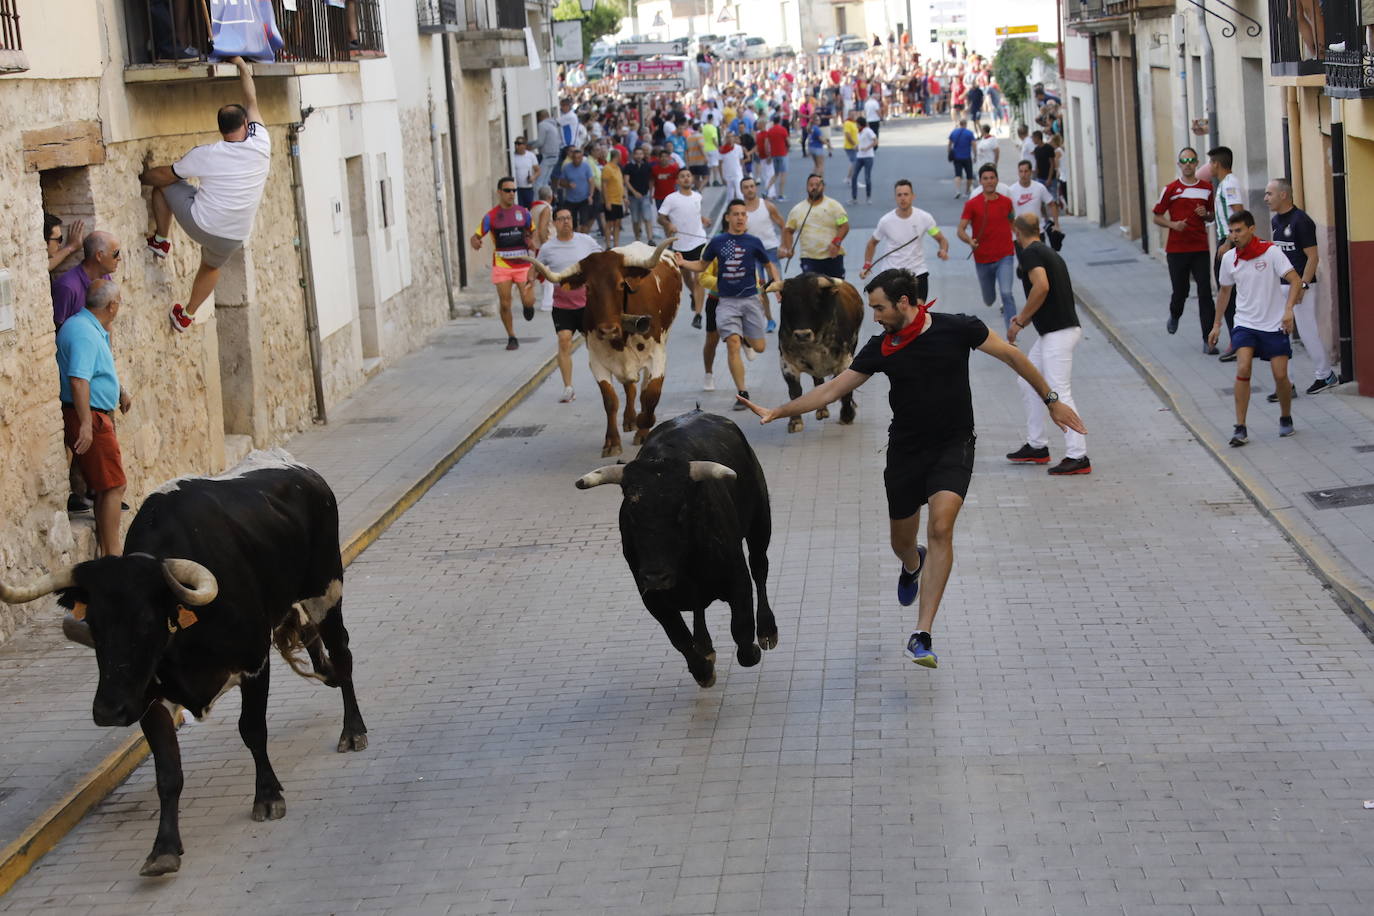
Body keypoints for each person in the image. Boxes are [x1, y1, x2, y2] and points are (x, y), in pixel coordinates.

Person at [737, 268, 1084, 669]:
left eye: (880, 308)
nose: (875, 316)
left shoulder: (958, 328)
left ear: (904, 302)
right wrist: (778, 411)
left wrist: (1052, 399)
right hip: (905, 452)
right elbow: (831, 389)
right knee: (902, 541)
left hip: (954, 446)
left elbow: (1012, 355)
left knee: (941, 527)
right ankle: (911, 562)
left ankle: (922, 634)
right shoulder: (880, 347)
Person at [142, 57, 270, 333]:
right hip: (235, 236)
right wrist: (242, 66)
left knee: (163, 187)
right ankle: (186, 315)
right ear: (246, 124)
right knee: (211, 267)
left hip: (201, 224)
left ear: (220, 129)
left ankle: (161, 241)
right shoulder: (262, 141)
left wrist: (142, 176)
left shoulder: (207, 154)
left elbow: (166, 176)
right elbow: (252, 99)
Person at [1209, 210, 1304, 445]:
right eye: (1231, 232)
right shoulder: (1229, 258)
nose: (1234, 236)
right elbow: (1224, 292)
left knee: (1280, 375)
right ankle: (1240, 427)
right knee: (1242, 368)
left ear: (1251, 229)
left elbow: (1294, 279)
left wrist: (1289, 309)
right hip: (1245, 323)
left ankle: (1285, 417)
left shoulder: (1271, 252)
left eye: (1239, 230)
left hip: (1274, 324)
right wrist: (1217, 324)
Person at [676, 200, 781, 409]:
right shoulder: (717, 242)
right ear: (728, 218)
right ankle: (742, 393)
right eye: (736, 214)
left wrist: (777, 285)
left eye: (743, 214)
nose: (740, 218)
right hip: (726, 302)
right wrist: (683, 263)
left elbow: (769, 264)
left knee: (760, 348)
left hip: (751, 300)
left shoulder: (753, 242)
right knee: (732, 343)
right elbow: (701, 265)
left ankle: (746, 339)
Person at [1006, 214, 1090, 475]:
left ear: (1017, 232)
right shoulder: (1048, 252)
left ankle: (1078, 455)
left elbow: (1041, 287)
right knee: (1027, 380)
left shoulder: (1030, 253)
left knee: (1058, 392)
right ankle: (1037, 445)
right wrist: (1026, 319)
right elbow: (1047, 293)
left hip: (1059, 333)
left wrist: (1020, 320)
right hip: (1055, 332)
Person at [57, 278, 131, 558]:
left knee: (106, 486)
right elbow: (78, 379)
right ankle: (113, 553)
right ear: (112, 306)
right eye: (119, 302)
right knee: (114, 485)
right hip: (90, 417)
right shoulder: (84, 333)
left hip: (94, 414)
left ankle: (106, 549)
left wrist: (119, 389)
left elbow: (99, 368)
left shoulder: (89, 327)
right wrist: (87, 424)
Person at [1265, 177, 1336, 396]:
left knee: (1307, 331)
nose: (1266, 198)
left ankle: (1325, 375)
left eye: (1270, 194)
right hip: (1282, 286)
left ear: (1283, 195)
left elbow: (1313, 258)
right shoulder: (1276, 221)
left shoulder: (1301, 221)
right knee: (1280, 334)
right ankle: (1287, 384)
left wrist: (1303, 285)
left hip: (1302, 286)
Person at [531, 207, 600, 403]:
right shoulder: (548, 248)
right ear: (554, 223)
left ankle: (604, 379)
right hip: (562, 305)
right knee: (564, 340)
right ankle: (568, 388)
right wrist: (529, 284)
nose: (566, 222)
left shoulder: (585, 241)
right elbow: (536, 268)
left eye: (568, 218)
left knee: (594, 345)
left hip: (587, 304)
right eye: (561, 219)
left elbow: (602, 259)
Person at [1151, 147, 1217, 349]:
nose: (1188, 163)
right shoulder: (1170, 189)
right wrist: (1173, 225)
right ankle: (1175, 313)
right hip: (1177, 249)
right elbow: (1157, 216)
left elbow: (1212, 216)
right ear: (1179, 164)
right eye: (1184, 160)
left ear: (1197, 163)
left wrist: (1205, 213)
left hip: (1200, 248)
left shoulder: (1207, 188)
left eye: (1191, 160)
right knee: (1181, 291)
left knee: (1205, 291)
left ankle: (1208, 340)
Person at [469, 177, 535, 351]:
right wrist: (475, 242)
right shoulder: (490, 216)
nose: (511, 194)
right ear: (499, 192)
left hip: (523, 263)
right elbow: (476, 236)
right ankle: (511, 336)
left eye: (514, 190)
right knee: (505, 303)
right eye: (507, 190)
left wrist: (532, 241)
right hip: (502, 264)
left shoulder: (524, 213)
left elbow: (532, 232)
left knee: (528, 300)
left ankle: (528, 307)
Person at [860, 180, 949, 300]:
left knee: (918, 314)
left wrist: (943, 250)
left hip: (917, 273)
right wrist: (867, 265)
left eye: (906, 194)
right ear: (895, 198)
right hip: (892, 275)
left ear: (913, 196)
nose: (903, 198)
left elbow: (941, 239)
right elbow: (872, 243)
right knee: (895, 315)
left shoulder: (924, 218)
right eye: (899, 195)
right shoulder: (886, 221)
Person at [958, 164, 1017, 329]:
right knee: (989, 299)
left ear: (997, 180)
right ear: (980, 181)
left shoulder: (1007, 202)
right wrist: (970, 241)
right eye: (985, 178)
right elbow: (960, 230)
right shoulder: (972, 204)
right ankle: (991, 297)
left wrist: (1022, 242)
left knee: (1006, 293)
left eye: (992, 178)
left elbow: (1013, 223)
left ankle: (1012, 334)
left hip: (1005, 255)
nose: (989, 181)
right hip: (983, 259)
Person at [657, 168, 711, 327]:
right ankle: (694, 296)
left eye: (688, 176)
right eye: (682, 176)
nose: (686, 179)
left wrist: (703, 219)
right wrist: (668, 224)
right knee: (687, 277)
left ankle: (698, 315)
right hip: (680, 244)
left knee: (699, 278)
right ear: (677, 181)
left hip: (699, 241)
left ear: (692, 179)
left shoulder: (697, 196)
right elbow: (660, 218)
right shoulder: (671, 199)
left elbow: (694, 213)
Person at [1208, 146, 1245, 361]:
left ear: (1217, 164)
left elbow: (1238, 212)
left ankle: (1236, 342)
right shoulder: (1224, 184)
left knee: (1228, 292)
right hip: (1227, 240)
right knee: (1227, 291)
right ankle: (1237, 341)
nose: (1209, 167)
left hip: (1228, 242)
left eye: (1211, 162)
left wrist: (1229, 242)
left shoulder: (1230, 183)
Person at [779, 174, 850, 279]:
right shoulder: (797, 210)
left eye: (817, 184)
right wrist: (789, 248)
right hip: (809, 258)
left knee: (836, 291)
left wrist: (836, 243)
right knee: (812, 292)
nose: (814, 187)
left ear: (823, 187)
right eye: (811, 185)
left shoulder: (835, 207)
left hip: (832, 257)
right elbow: (788, 230)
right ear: (806, 187)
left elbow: (844, 226)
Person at [51, 231, 119, 329]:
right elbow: (57, 330)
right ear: (99, 256)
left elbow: (107, 323)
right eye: (116, 254)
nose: (119, 258)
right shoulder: (67, 287)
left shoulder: (105, 278)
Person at [742, 175, 783, 334]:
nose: (750, 189)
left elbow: (782, 224)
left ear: (756, 188)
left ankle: (787, 317)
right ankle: (770, 320)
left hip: (770, 250)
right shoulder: (740, 211)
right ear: (742, 190)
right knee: (761, 290)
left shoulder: (767, 206)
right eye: (746, 187)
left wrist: (786, 245)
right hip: (751, 254)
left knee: (778, 286)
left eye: (752, 186)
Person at [557, 145, 596, 232]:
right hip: (571, 200)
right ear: (572, 158)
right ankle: (575, 239)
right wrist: (568, 184)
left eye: (579, 158)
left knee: (584, 222)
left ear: (582, 158)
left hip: (584, 198)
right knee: (572, 223)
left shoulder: (586, 167)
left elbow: (591, 181)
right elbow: (561, 182)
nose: (577, 160)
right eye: (575, 158)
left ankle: (584, 239)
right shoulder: (567, 167)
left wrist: (591, 195)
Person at [624, 145, 656, 242]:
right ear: (633, 155)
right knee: (635, 219)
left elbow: (651, 180)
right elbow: (626, 181)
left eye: (640, 154)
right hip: (632, 197)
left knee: (647, 218)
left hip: (645, 195)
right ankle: (637, 238)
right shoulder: (629, 166)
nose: (639, 156)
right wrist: (634, 192)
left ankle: (650, 239)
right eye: (637, 154)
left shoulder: (647, 166)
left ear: (643, 155)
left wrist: (651, 193)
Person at [601, 148, 626, 248]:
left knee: (617, 223)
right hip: (611, 200)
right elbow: (604, 185)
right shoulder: (607, 168)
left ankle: (616, 244)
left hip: (618, 200)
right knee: (609, 223)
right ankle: (608, 244)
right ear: (617, 157)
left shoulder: (617, 168)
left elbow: (620, 183)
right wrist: (607, 201)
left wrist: (624, 196)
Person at [535, 109, 561, 192]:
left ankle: (537, 203)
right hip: (555, 155)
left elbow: (540, 142)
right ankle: (547, 201)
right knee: (545, 182)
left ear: (540, 117)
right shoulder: (554, 124)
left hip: (547, 156)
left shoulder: (542, 125)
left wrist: (528, 145)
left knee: (538, 183)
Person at [948, 118, 976, 198]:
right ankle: (967, 191)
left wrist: (949, 152)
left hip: (957, 157)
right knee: (969, 176)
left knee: (958, 175)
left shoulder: (954, 132)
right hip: (967, 157)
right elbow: (974, 144)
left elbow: (950, 143)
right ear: (966, 124)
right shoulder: (969, 133)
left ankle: (957, 190)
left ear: (959, 124)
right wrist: (975, 155)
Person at [511, 137, 540, 209]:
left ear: (524, 145)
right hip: (516, 188)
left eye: (519, 144)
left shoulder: (531, 155)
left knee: (530, 208)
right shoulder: (512, 156)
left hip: (528, 188)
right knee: (519, 209)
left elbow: (538, 170)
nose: (516, 146)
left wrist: (533, 177)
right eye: (515, 143)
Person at [842, 108, 860, 186]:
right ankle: (853, 180)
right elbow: (848, 135)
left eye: (854, 114)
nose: (853, 115)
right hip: (850, 146)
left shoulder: (854, 122)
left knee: (854, 163)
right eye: (852, 114)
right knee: (855, 163)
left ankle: (848, 178)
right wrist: (854, 144)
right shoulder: (847, 123)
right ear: (849, 115)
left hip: (854, 146)